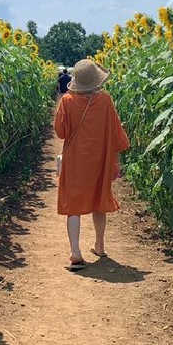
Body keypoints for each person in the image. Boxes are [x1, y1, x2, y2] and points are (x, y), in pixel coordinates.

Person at [54, 58, 130, 270]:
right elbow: (116, 131)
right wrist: (116, 160)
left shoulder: (67, 101)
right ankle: (100, 245)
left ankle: (76, 253)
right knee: (99, 199)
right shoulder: (105, 100)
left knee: (73, 206)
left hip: (75, 160)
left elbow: (60, 132)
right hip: (100, 159)